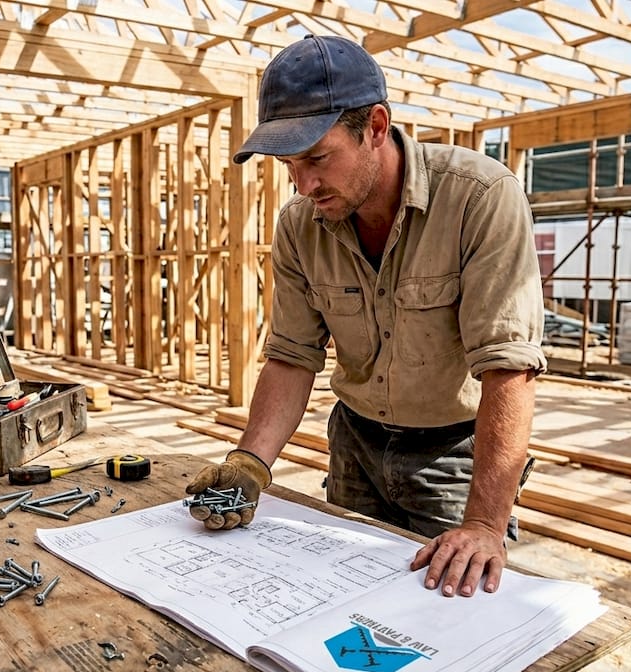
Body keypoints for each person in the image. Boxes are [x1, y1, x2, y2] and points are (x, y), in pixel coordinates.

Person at [184, 34, 546, 599]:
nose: (303, 185)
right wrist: (250, 461)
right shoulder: (299, 226)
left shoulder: (479, 197)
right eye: (289, 166)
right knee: (348, 605)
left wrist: (482, 524)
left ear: (375, 126)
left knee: (455, 616)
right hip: (355, 441)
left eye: (317, 159)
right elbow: (291, 356)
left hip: (453, 451)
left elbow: (509, 366)